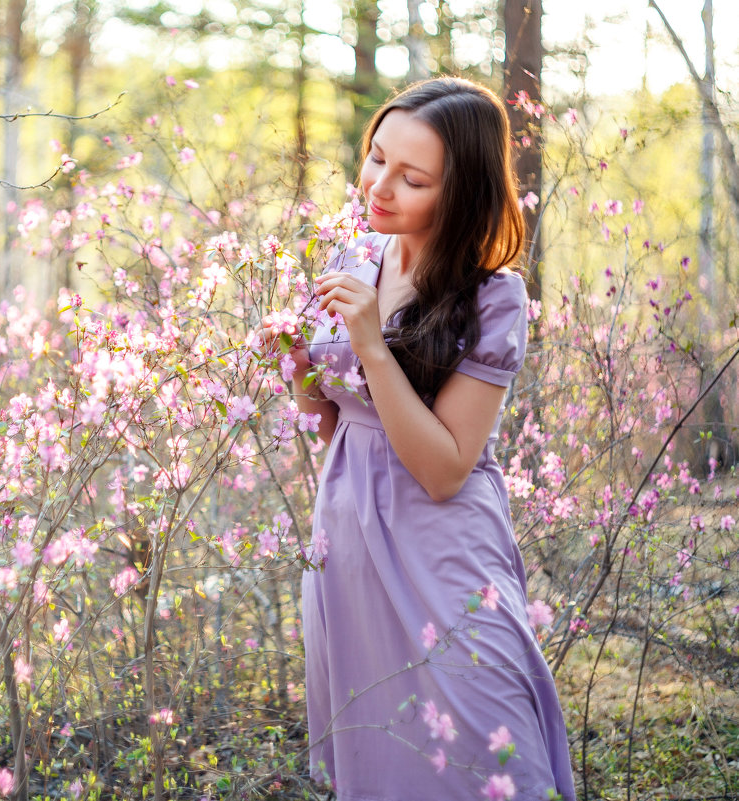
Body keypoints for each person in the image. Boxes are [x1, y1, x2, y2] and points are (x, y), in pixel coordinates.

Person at [268, 77, 577, 800]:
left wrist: (371, 345)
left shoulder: (492, 295)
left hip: (442, 548)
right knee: (384, 747)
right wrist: (297, 365)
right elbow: (332, 426)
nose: (380, 186)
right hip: (348, 541)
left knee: (486, 746)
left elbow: (444, 470)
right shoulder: (358, 257)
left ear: (461, 191)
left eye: (413, 178)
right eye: (376, 159)